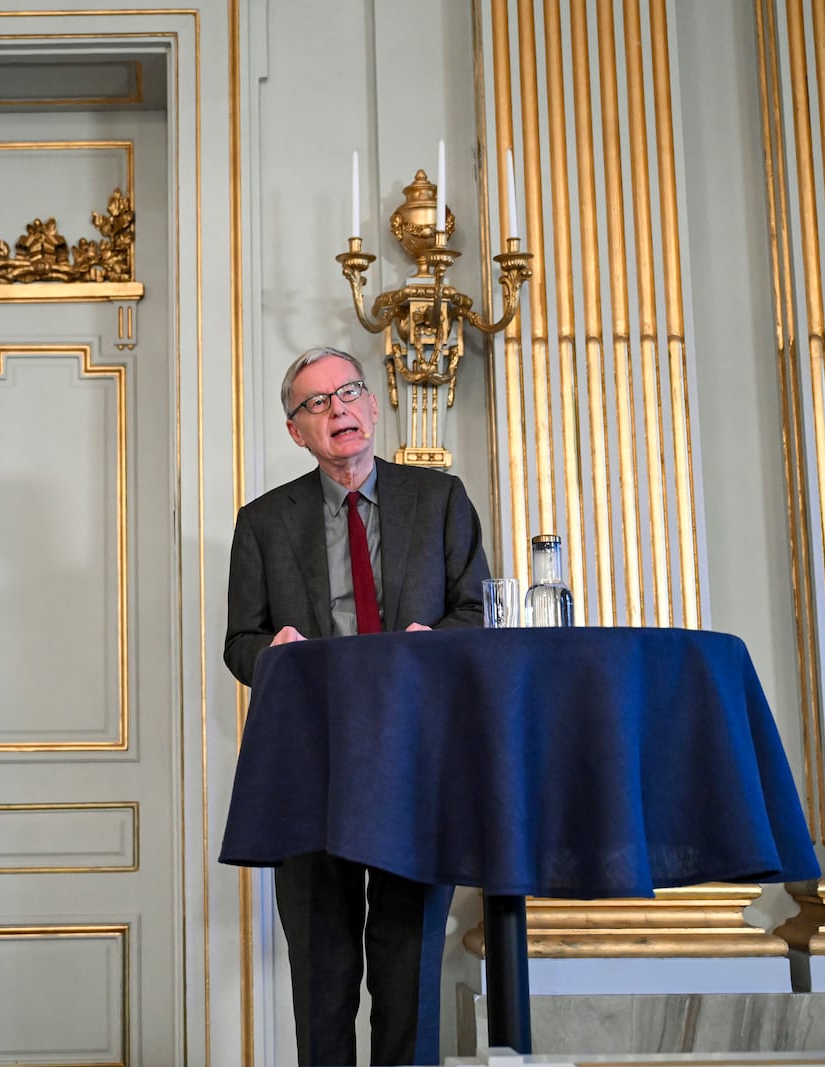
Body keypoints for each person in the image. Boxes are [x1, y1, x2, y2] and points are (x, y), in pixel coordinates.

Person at [224, 346, 490, 1066]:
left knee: (407, 966)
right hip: (312, 761)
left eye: (348, 393)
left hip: (413, 759)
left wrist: (430, 640)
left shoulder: (439, 500)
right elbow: (238, 641)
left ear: (372, 407)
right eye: (317, 402)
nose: (338, 409)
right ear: (295, 431)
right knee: (322, 969)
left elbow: (478, 611)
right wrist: (272, 648)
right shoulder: (263, 522)